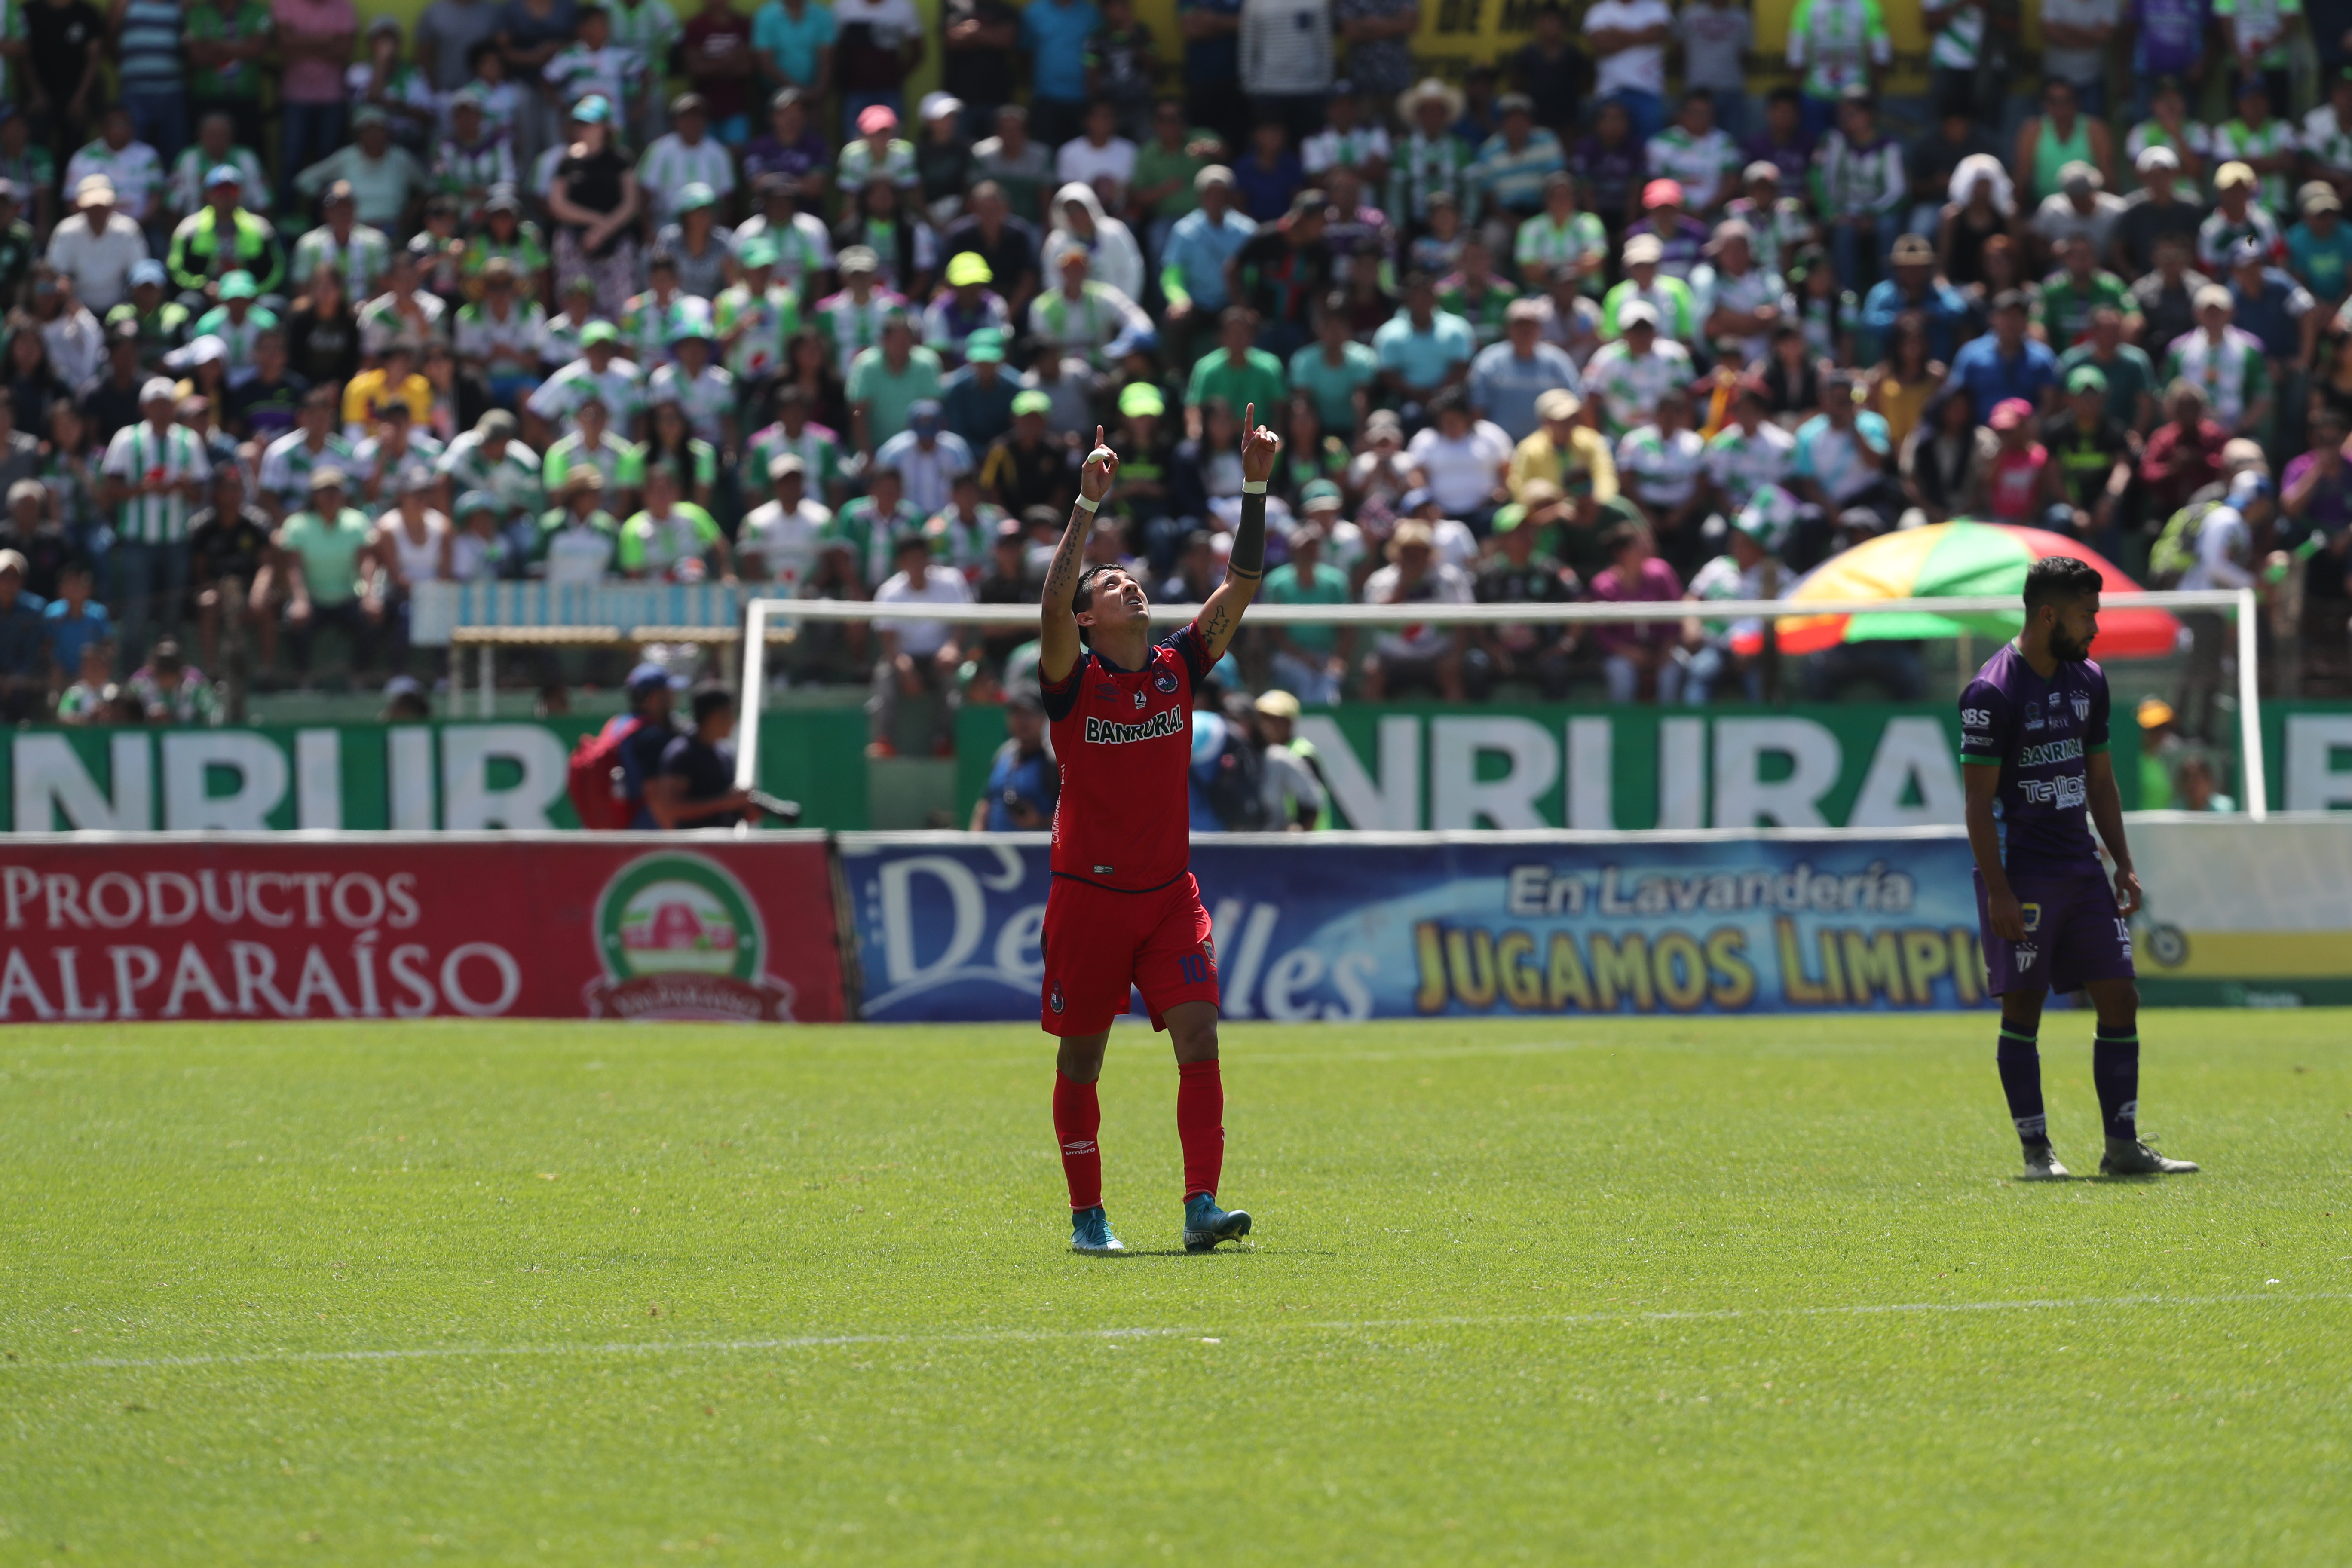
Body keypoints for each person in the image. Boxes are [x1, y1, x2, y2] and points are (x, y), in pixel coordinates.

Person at [1033, 409, 1273, 1256]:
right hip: (1090, 897)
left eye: (1132, 580)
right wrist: (1085, 508)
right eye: (1110, 587)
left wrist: (1253, 486)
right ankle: (1086, 1215)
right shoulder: (1073, 679)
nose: (1128, 587)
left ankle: (1200, 1204)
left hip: (1170, 895)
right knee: (1082, 1064)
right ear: (1089, 618)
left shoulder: (1179, 668)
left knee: (1202, 1030)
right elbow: (1051, 602)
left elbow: (1243, 581)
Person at [1960, 554, 2198, 1182]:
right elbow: (1979, 805)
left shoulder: (2089, 679)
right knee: (2025, 1007)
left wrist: (2123, 862)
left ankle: (2122, 1148)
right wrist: (2001, 893)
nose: (2095, 627)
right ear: (2048, 614)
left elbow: (2101, 781)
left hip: (2081, 866)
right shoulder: (1991, 692)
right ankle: (2037, 1152)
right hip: (2024, 872)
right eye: (2087, 614)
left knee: (2119, 997)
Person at [646, 683, 763, 827]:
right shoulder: (681, 754)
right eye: (728, 714)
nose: (733, 721)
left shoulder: (724, 755)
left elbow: (726, 809)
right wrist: (726, 802)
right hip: (693, 848)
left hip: (725, 845)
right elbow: (671, 809)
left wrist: (745, 811)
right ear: (713, 716)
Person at [970, 683, 1057, 828]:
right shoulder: (1003, 754)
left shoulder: (1053, 762)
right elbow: (986, 804)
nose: (1022, 721)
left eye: (1029, 714)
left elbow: (1074, 816)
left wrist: (1040, 821)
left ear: (1043, 719)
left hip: (1038, 850)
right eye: (1016, 713)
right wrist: (975, 845)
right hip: (995, 849)